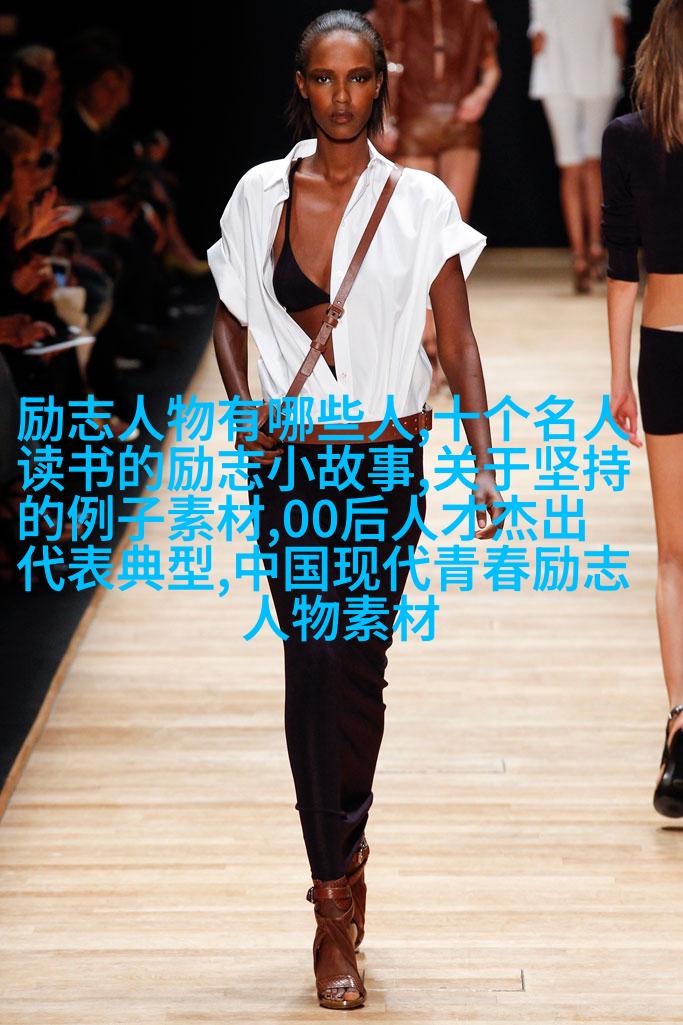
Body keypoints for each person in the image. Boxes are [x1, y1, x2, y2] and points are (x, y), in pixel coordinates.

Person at [207, 8, 505, 1010]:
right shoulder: (258, 194)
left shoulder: (418, 202)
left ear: (381, 84)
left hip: (382, 464)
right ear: (301, 85)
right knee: (311, 663)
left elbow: (457, 340)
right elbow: (228, 315)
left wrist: (485, 462)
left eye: (357, 78)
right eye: (324, 79)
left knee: (357, 670)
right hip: (292, 465)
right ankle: (331, 904)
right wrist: (245, 411)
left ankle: (348, 841)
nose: (341, 96)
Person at [600, 0, 683, 818]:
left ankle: (679, 726)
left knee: (672, 556)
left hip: (665, 348)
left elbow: (620, 263)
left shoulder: (628, 137)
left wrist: (617, 374)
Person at [366, 0, 501, 392]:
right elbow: (379, 70)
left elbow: (491, 68)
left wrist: (480, 96)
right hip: (413, 123)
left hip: (459, 123)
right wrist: (384, 119)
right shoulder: (392, 11)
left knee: (449, 244)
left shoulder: (472, 10)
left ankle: (443, 343)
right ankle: (425, 343)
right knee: (418, 243)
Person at [529, 0, 630, 293]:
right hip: (594, 67)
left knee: (573, 165)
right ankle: (594, 247)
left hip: (559, 72)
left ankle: (580, 254)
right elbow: (618, 27)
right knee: (589, 163)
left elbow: (538, 36)